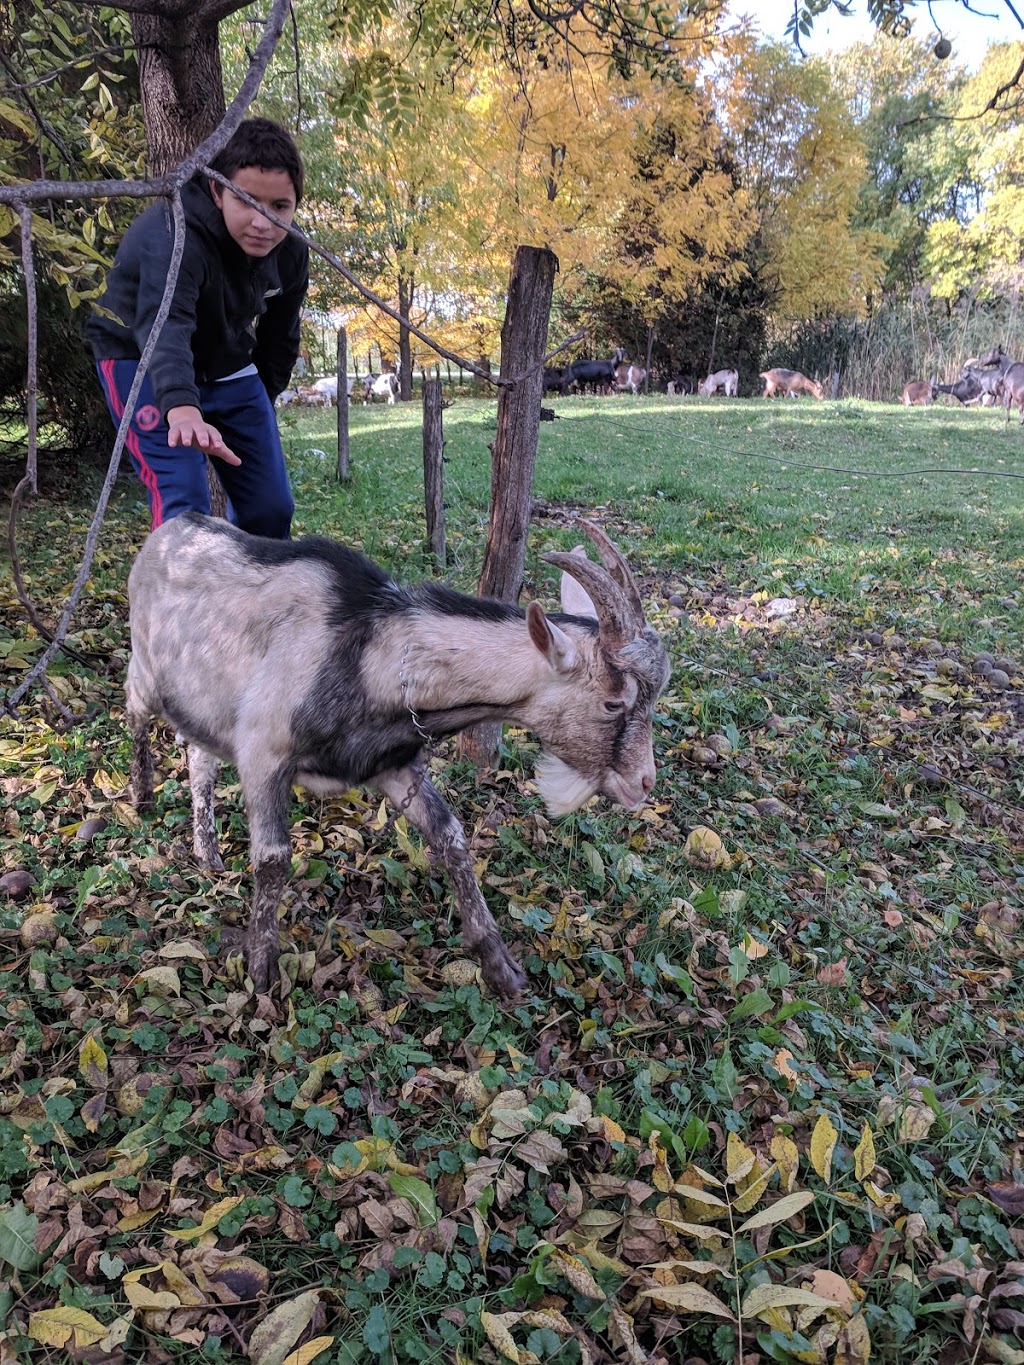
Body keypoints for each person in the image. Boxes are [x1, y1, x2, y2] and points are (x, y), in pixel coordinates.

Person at [87, 118, 309, 539]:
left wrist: (261, 397)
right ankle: (175, 604)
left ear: (295, 204)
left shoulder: (292, 251)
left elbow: (280, 338)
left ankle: (250, 604)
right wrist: (182, 406)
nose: (264, 222)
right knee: (184, 504)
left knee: (271, 509)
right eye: (247, 201)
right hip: (140, 355)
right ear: (218, 191)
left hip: (226, 360)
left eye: (279, 206)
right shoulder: (174, 234)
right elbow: (165, 324)